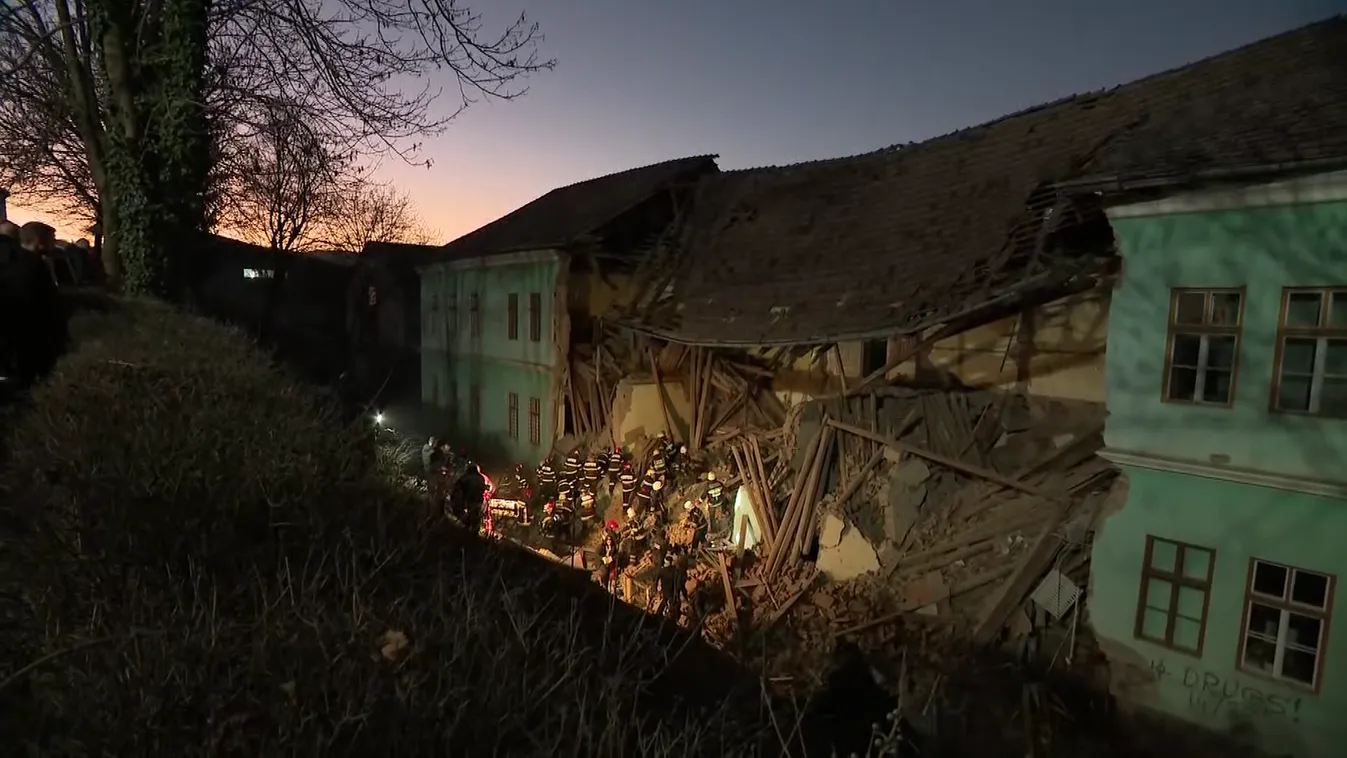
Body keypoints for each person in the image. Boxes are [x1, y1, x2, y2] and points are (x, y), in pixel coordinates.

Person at [0, 226, 67, 389]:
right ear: (40, 241)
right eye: (52, 239)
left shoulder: (12, 262)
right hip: (28, 345)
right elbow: (43, 309)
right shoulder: (33, 266)